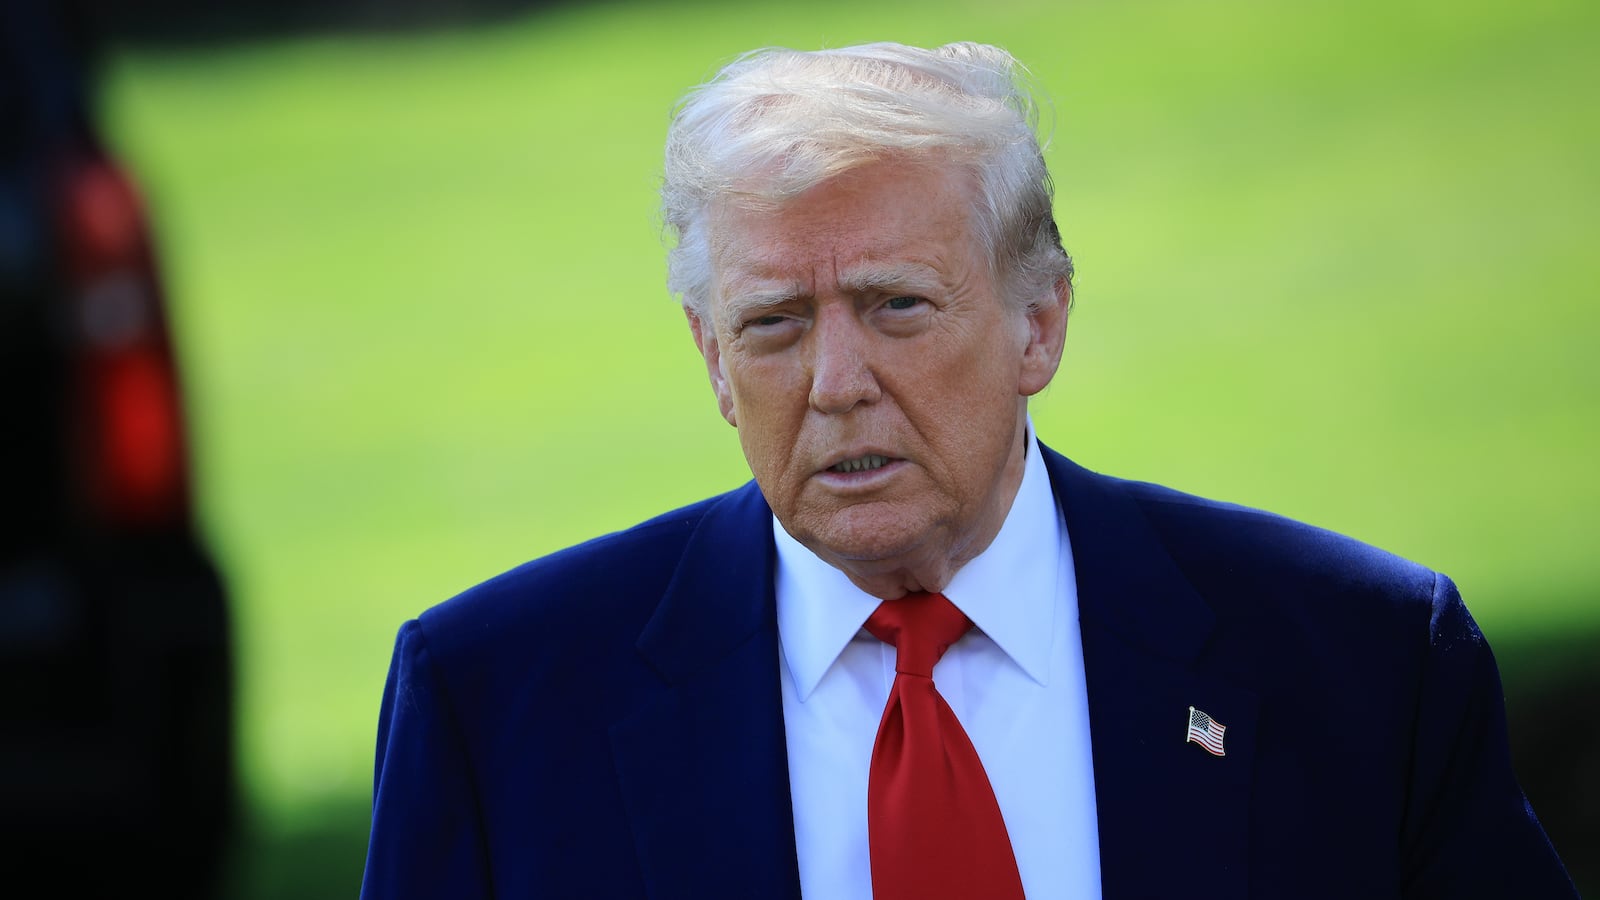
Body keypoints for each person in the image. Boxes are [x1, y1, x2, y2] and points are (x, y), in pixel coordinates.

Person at [358, 41, 1576, 899]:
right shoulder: (497, 705)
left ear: (1037, 323)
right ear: (713, 360)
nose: (834, 381)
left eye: (896, 305)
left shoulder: (1362, 663)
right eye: (774, 323)